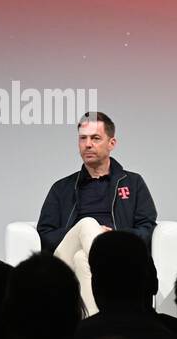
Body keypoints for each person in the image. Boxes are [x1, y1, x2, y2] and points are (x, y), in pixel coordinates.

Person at [36, 112, 157, 316]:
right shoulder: (62, 188)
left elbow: (147, 228)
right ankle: (114, 276)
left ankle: (96, 325)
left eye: (95, 138)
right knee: (86, 224)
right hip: (66, 259)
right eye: (83, 138)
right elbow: (45, 232)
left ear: (112, 143)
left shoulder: (133, 183)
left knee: (82, 258)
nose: (88, 144)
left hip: (106, 254)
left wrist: (112, 238)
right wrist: (84, 230)